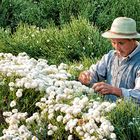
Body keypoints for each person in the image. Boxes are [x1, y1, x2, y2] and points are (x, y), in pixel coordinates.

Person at [78, 17, 140, 103]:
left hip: (133, 114)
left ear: (133, 40)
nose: (117, 47)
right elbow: (94, 73)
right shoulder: (111, 56)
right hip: (108, 111)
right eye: (113, 42)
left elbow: (139, 95)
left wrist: (115, 91)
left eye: (121, 43)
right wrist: (86, 77)